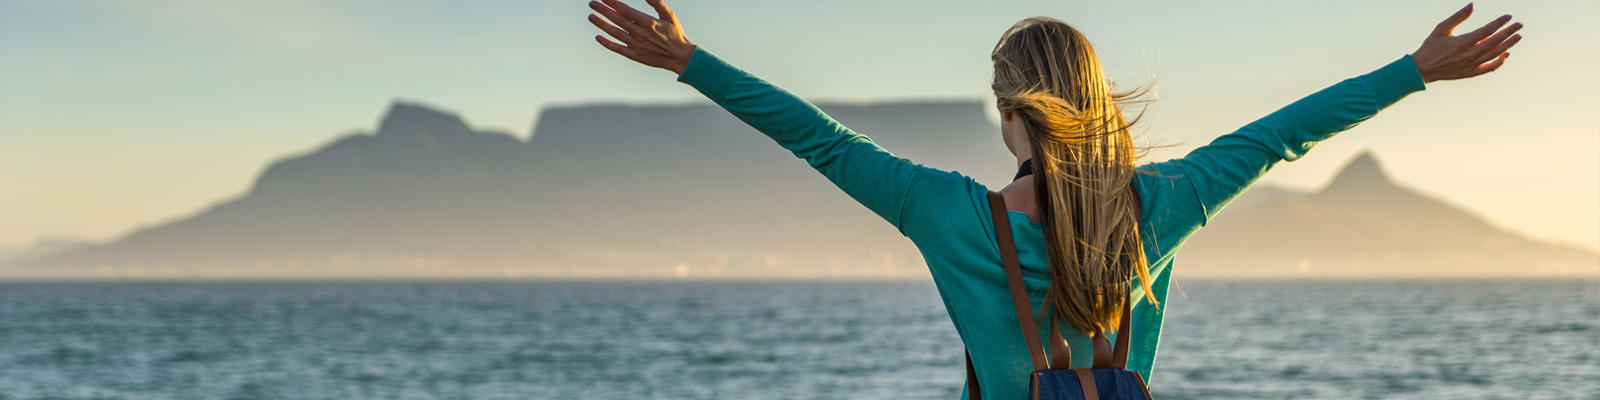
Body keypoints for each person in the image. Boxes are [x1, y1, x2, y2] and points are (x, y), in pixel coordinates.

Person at [585, 1, 1522, 398]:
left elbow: (820, 140)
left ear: (1007, 113)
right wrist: (1416, 71)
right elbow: (1283, 133)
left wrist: (689, 61)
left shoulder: (947, 212)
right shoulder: (1165, 202)